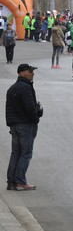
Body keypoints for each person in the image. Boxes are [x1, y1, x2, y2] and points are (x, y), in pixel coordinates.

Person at [5, 63, 43, 191]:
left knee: (16, 153)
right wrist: (36, 117)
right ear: (21, 73)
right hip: (26, 125)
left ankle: (11, 181)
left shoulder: (12, 88)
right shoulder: (26, 87)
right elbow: (29, 108)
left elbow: (9, 109)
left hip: (15, 125)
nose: (32, 73)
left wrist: (11, 124)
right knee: (26, 153)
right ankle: (20, 181)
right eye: (29, 71)